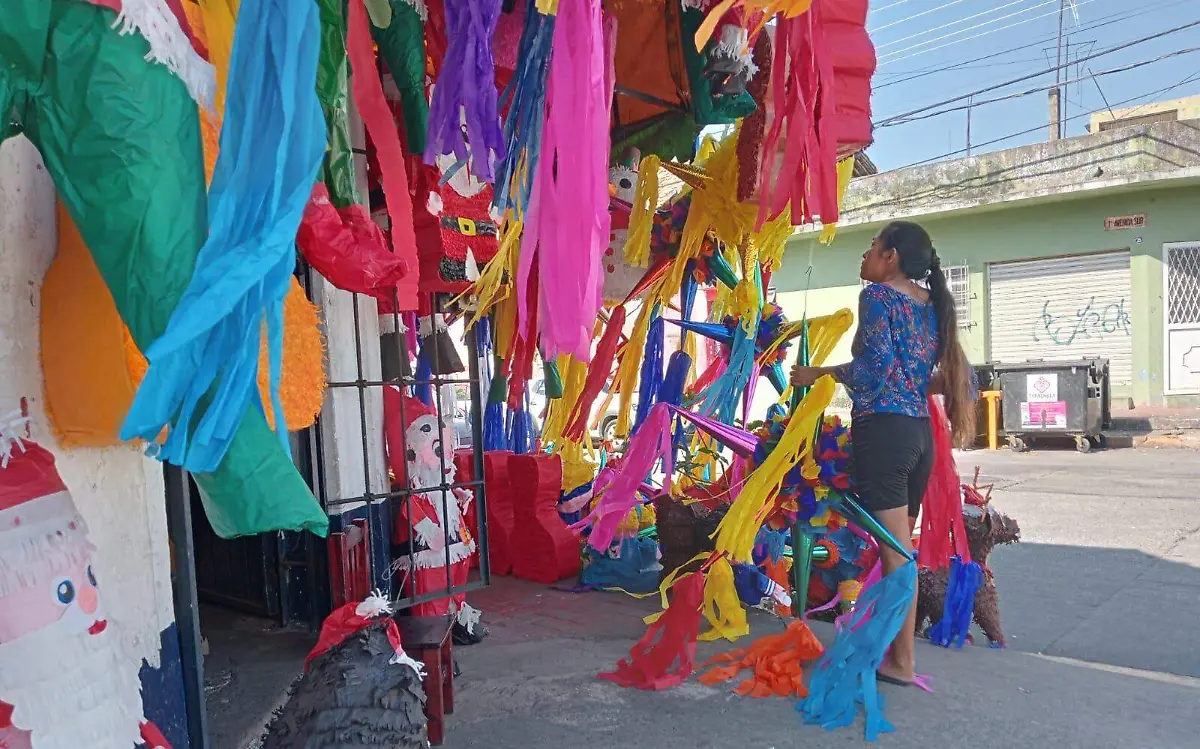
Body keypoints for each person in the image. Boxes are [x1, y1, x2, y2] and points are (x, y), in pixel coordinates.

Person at [790, 220, 975, 686]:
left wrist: (820, 373)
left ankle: (903, 661)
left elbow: (873, 371)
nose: (865, 255)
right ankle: (898, 653)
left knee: (897, 554)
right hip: (917, 435)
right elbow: (917, 373)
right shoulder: (930, 304)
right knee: (899, 550)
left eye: (872, 247)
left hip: (885, 434)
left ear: (890, 257)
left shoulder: (878, 297)